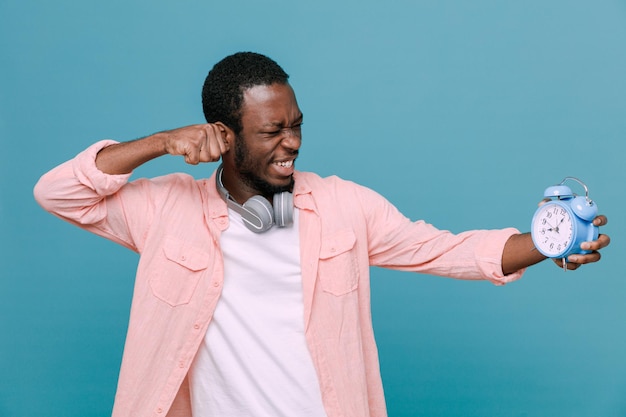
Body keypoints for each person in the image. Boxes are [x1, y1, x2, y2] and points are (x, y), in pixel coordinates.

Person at [33, 52, 610, 417]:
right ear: (224, 136)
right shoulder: (165, 211)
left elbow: (449, 250)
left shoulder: (343, 206)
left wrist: (550, 243)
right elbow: (58, 192)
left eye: (297, 125)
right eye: (272, 131)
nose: (293, 143)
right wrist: (160, 142)